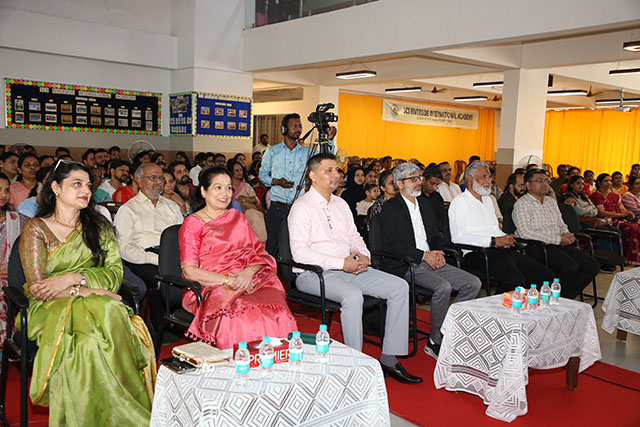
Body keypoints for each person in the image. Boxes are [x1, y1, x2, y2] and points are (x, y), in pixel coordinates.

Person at [19, 160, 155, 426]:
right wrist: (89, 291)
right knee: (107, 309)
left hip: (94, 304)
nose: (86, 191)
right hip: (51, 309)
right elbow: (38, 287)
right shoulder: (36, 228)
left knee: (89, 342)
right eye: (77, 184)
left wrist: (75, 279)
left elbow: (115, 274)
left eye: (89, 185)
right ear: (56, 188)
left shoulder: (99, 226)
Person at [288, 153, 421, 384]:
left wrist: (364, 256)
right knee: (353, 296)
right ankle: (356, 365)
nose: (335, 175)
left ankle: (389, 359)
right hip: (314, 274)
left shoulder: (341, 204)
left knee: (399, 287)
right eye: (328, 170)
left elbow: (354, 237)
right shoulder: (301, 207)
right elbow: (300, 254)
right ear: (312, 176)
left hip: (349, 268)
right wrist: (342, 264)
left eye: (337, 170)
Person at [178, 167, 296, 348]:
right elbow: (189, 272)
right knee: (243, 318)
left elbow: (259, 254)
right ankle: (240, 362)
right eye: (218, 187)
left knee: (277, 310)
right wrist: (231, 280)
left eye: (228, 188)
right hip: (213, 285)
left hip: (248, 279)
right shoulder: (193, 223)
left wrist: (247, 273)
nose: (224, 193)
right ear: (203, 191)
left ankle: (274, 362)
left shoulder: (238, 218)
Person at [379, 163, 481, 358]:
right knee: (443, 287)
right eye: (413, 179)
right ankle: (435, 341)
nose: (419, 182)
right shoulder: (390, 208)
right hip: (407, 263)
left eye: (419, 178)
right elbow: (390, 245)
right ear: (399, 184)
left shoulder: (425, 204)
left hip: (431, 259)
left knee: (473, 283)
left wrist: (438, 252)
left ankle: (449, 330)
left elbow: (434, 235)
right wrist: (423, 255)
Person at [449, 161, 553, 293]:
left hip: (497, 250)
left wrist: (505, 238)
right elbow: (458, 237)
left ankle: (528, 304)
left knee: (544, 275)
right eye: (484, 177)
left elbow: (494, 229)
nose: (489, 181)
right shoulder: (460, 201)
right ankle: (499, 305)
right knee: (516, 281)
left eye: (489, 177)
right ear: (470, 179)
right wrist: (493, 241)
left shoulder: (488, 200)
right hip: (476, 253)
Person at [114, 162, 184, 335]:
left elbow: (183, 237)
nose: (158, 181)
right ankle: (158, 330)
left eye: (160, 178)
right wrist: (154, 259)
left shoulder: (172, 206)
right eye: (153, 177)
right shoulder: (128, 210)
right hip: (143, 257)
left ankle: (183, 322)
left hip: (171, 254)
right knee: (161, 279)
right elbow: (124, 248)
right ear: (139, 181)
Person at [512, 169, 600, 298]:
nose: (545, 184)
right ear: (528, 185)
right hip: (536, 246)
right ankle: (559, 297)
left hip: (558, 243)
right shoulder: (522, 204)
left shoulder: (550, 201)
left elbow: (561, 223)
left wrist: (567, 234)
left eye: (546, 180)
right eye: (539, 181)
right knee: (570, 267)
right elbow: (525, 233)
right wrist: (558, 239)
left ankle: (565, 297)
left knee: (592, 265)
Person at [258, 113, 336, 255]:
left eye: (299, 126)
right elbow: (262, 175)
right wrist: (276, 182)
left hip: (299, 208)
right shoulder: (273, 151)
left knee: (295, 246)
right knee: (272, 246)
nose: (298, 129)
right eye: (294, 126)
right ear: (284, 129)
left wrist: (329, 140)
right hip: (277, 207)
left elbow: (326, 159)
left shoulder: (307, 152)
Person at [0, 172, 28, 350]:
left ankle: (6, 347)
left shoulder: (18, 221)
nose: (3, 194)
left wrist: (13, 267)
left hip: (9, 279)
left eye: (6, 190)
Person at [590, 173, 639, 265]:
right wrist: (620, 215)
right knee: (631, 228)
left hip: (618, 219)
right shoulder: (596, 195)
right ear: (599, 183)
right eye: (606, 181)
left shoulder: (615, 196)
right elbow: (601, 212)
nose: (609, 183)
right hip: (606, 221)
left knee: (636, 226)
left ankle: (633, 258)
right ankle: (628, 258)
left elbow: (622, 209)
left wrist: (628, 213)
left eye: (610, 181)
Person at [229, 159, 267, 241]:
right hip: (234, 215)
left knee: (255, 215)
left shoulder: (246, 186)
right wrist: (243, 200)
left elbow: (255, 200)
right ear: (231, 172)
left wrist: (243, 199)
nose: (240, 172)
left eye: (241, 170)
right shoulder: (227, 187)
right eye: (236, 170)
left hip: (250, 213)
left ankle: (260, 243)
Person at [419, 166, 446, 234]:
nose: (435, 187)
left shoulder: (437, 197)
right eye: (432, 183)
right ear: (423, 179)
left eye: (437, 184)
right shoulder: (416, 197)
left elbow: (442, 218)